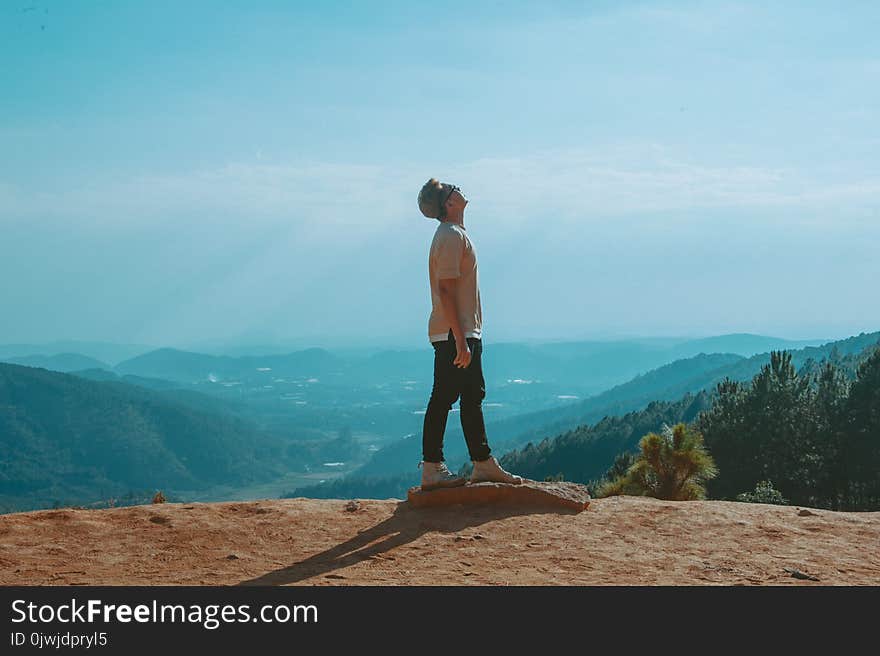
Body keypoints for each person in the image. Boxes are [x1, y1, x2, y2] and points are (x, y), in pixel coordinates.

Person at [416, 177, 524, 490]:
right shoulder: (450, 236)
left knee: (470, 395)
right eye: (452, 187)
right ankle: (435, 467)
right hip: (456, 333)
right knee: (445, 398)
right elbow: (446, 289)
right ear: (449, 203)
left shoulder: (453, 234)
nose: (458, 188)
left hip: (458, 331)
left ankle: (481, 462)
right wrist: (461, 339)